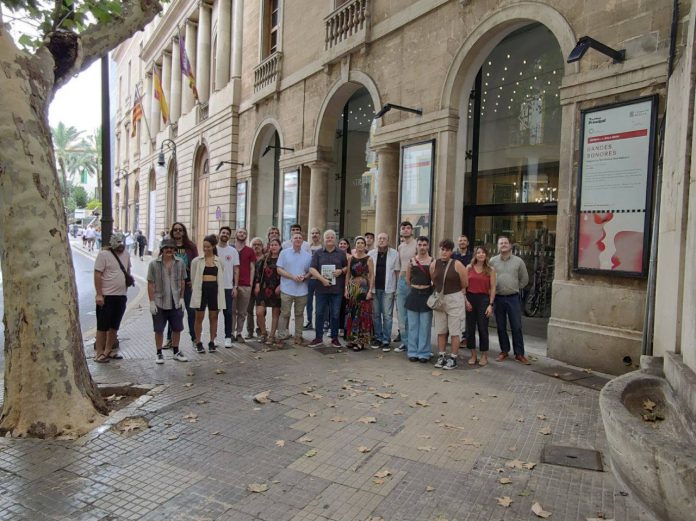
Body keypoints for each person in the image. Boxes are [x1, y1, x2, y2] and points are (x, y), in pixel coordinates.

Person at [489, 236, 530, 364]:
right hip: (498, 298)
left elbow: (525, 279)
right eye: (501, 243)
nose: (503, 245)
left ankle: (519, 354)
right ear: (498, 246)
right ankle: (504, 351)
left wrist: (515, 287)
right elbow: (488, 278)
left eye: (506, 243)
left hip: (513, 298)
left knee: (516, 326)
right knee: (501, 326)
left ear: (510, 245)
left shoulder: (519, 261)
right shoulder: (492, 261)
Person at [147, 238, 188, 364]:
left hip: (176, 302)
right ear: (162, 250)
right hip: (160, 302)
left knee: (177, 328)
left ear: (174, 250)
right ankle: (159, 353)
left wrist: (182, 298)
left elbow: (182, 281)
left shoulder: (180, 263)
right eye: (166, 248)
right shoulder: (153, 264)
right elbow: (150, 283)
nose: (169, 250)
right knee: (158, 329)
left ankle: (176, 351)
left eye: (171, 248)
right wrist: (152, 301)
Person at [93, 232, 131, 363]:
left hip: (121, 296)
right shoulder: (103, 255)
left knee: (114, 326)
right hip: (107, 296)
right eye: (118, 243)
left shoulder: (126, 254)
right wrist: (99, 294)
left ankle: (108, 351)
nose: (121, 245)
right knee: (102, 326)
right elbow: (97, 274)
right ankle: (99, 353)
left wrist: (125, 289)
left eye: (122, 242)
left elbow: (127, 270)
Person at [430, 238, 468, 370]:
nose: (444, 252)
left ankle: (453, 358)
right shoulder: (434, 263)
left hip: (454, 299)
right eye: (442, 249)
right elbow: (433, 279)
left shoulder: (457, 264)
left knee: (454, 331)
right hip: (440, 299)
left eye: (447, 250)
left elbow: (465, 283)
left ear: (451, 251)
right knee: (440, 330)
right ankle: (441, 356)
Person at [308, 230, 348, 348]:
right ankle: (318, 337)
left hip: (337, 290)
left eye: (332, 237)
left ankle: (334, 338)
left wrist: (341, 271)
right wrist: (322, 279)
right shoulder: (318, 253)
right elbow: (311, 269)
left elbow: (346, 267)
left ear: (335, 239)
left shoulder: (341, 253)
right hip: (321, 289)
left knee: (335, 314)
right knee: (319, 313)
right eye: (327, 237)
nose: (330, 239)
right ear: (324, 239)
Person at [190, 235, 225, 353]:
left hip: (214, 290)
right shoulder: (197, 261)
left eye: (208, 247)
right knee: (199, 316)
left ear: (213, 246)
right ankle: (198, 342)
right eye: (204, 247)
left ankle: (212, 341)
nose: (206, 249)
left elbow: (221, 276)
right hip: (201, 290)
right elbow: (193, 277)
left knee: (213, 316)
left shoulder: (219, 261)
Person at [277, 232, 312, 345]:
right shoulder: (284, 253)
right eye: (295, 238)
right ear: (291, 240)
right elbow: (279, 269)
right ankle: (281, 336)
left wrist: (305, 277)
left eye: (300, 238)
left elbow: (310, 272)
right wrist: (292, 277)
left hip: (302, 289)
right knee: (285, 313)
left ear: (303, 241)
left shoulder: (308, 256)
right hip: (287, 288)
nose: (297, 239)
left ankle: (298, 336)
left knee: (299, 314)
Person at [167, 223, 198, 348]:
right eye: (175, 230)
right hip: (171, 285)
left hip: (188, 284)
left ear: (184, 232)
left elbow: (196, 264)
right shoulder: (167, 246)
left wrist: (193, 279)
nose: (178, 232)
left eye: (180, 230)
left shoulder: (190, 247)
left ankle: (195, 338)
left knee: (191, 311)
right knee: (172, 312)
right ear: (172, 232)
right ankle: (170, 339)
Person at [368, 232, 400, 351]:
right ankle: (378, 337)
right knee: (376, 315)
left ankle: (386, 339)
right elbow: (369, 273)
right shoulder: (371, 254)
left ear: (388, 240)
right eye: (380, 238)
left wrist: (396, 289)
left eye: (384, 238)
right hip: (375, 289)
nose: (381, 240)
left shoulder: (394, 254)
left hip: (388, 289)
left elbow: (397, 272)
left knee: (387, 315)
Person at [465, 246, 497, 367]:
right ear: (475, 255)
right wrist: (465, 300)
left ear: (486, 255)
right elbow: (463, 284)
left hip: (484, 299)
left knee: (483, 328)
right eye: (478, 252)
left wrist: (490, 304)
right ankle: (473, 354)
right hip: (470, 298)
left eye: (483, 252)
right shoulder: (469, 268)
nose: (481, 255)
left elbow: (493, 287)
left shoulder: (490, 270)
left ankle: (484, 354)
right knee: (470, 328)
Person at [405, 236, 433, 362]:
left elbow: (434, 280)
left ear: (428, 246)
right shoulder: (411, 261)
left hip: (427, 295)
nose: (422, 247)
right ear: (417, 246)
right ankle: (412, 352)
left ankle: (424, 353)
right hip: (414, 295)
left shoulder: (433, 261)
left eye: (424, 245)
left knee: (425, 326)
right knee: (412, 326)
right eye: (420, 244)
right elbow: (407, 279)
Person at [344, 236, 374, 351]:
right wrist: (346, 289)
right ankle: (352, 339)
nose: (360, 245)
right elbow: (347, 275)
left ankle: (361, 342)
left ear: (365, 245)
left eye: (362, 243)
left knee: (362, 315)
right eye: (358, 243)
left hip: (364, 289)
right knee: (352, 314)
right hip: (353, 289)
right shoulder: (351, 258)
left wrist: (370, 290)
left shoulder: (369, 259)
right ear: (355, 245)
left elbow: (371, 276)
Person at [255, 237, 283, 345]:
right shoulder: (265, 258)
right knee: (259, 312)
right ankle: (263, 333)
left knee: (275, 314)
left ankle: (271, 335)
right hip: (264, 288)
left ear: (279, 246)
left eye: (276, 245)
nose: (273, 247)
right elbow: (258, 272)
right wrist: (257, 285)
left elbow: (285, 274)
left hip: (276, 289)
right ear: (269, 247)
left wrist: (281, 286)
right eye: (272, 245)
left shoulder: (282, 258)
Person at [396, 221, 417, 352]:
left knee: (411, 314)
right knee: (401, 314)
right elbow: (398, 265)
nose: (405, 230)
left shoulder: (417, 244)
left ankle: (413, 343)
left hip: (413, 280)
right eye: (403, 228)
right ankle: (404, 341)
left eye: (408, 228)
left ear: (412, 230)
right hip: (401, 280)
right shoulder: (400, 246)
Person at [217, 226, 240, 348]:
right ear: (219, 234)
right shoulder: (213, 249)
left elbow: (236, 269)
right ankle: (213, 338)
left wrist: (235, 286)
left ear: (229, 236)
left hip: (228, 287)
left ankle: (227, 337)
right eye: (223, 232)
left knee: (228, 313)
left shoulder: (233, 251)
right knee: (213, 313)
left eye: (227, 233)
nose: (225, 234)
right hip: (214, 287)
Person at [233, 228, 256, 342]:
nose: (242, 234)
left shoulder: (250, 250)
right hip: (232, 285)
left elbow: (252, 268)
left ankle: (239, 333)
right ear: (236, 234)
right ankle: (230, 333)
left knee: (242, 311)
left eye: (244, 233)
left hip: (246, 284)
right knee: (231, 310)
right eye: (240, 232)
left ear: (246, 236)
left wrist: (251, 283)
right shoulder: (231, 249)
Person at [453, 234, 473, 341]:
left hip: (469, 288)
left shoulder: (473, 256)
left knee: (468, 313)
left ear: (468, 243)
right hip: (455, 288)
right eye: (460, 240)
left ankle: (466, 337)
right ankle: (456, 336)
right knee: (456, 313)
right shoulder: (453, 256)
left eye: (464, 241)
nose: (462, 242)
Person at [246, 237, 265, 339]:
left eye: (259, 244)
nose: (256, 246)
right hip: (249, 287)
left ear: (262, 247)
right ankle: (250, 331)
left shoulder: (266, 259)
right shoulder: (249, 258)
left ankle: (260, 330)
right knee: (249, 310)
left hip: (262, 288)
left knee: (261, 311)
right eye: (254, 244)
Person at [305, 227, 323, 330]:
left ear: (319, 235)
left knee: (320, 302)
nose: (314, 235)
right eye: (312, 233)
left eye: (316, 233)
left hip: (319, 279)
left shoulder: (323, 247)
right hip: (309, 279)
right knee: (308, 301)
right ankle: (309, 321)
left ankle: (319, 322)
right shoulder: (307, 248)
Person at [337, 238, 352, 338]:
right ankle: (334, 327)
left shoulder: (351, 257)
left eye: (344, 244)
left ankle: (343, 327)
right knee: (335, 307)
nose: (342, 245)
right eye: (341, 243)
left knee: (345, 307)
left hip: (348, 284)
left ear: (347, 246)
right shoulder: (335, 255)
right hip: (337, 283)